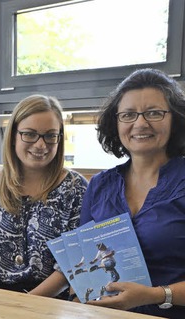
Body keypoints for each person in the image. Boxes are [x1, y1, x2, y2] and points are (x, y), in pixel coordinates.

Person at [79, 68, 185, 318]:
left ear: (176, 119)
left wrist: (155, 295)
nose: (140, 123)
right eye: (128, 115)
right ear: (115, 123)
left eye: (154, 113)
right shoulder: (99, 185)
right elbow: (85, 262)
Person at [0, 94, 88, 298]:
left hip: (51, 303)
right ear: (13, 136)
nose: (41, 145)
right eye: (30, 134)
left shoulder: (75, 188)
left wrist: (26, 306)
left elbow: (72, 262)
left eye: (50, 135)